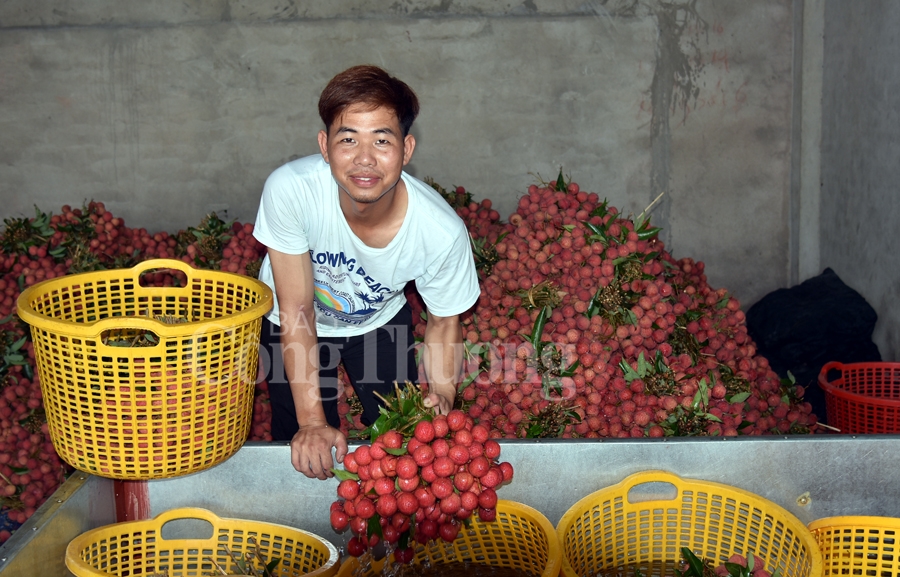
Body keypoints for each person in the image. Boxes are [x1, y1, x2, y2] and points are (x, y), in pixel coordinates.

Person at [252, 65, 481, 480]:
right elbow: (297, 309)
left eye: (381, 139)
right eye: (347, 139)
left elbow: (444, 320)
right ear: (324, 146)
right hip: (296, 320)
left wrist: (444, 391)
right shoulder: (291, 190)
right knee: (299, 445)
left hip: (377, 322)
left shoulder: (439, 232)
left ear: (407, 149)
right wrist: (312, 423)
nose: (364, 158)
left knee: (402, 445)